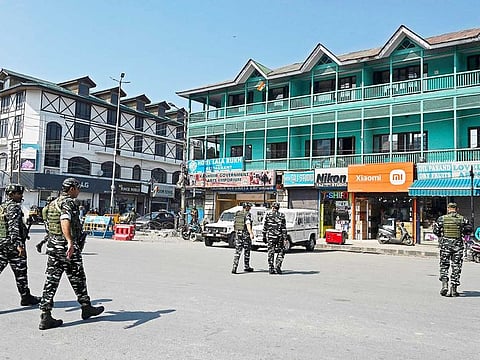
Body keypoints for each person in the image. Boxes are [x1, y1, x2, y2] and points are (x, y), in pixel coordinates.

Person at [38, 178, 104, 330]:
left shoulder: (52, 203)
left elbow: (48, 225)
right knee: (78, 278)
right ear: (72, 188)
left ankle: (45, 314)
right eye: (77, 188)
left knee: (51, 281)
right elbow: (65, 220)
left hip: (54, 248)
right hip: (67, 249)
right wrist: (69, 241)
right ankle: (86, 307)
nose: (79, 191)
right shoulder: (68, 203)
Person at [0, 184, 41, 306]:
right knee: (21, 272)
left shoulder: (3, 206)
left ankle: (26, 296)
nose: (21, 196)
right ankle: (25, 297)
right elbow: (13, 227)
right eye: (19, 193)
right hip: (12, 246)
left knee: (20, 272)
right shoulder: (14, 207)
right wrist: (19, 245)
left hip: (2, 243)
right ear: (11, 194)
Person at [433, 202, 472, 297]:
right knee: (456, 266)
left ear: (448, 208)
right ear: (456, 209)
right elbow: (468, 230)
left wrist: (442, 237)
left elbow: (436, 231)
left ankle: (444, 284)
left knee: (444, 265)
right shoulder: (462, 219)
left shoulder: (442, 219)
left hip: (445, 245)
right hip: (458, 245)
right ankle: (454, 289)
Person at [263, 202, 287, 274]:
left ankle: (271, 268)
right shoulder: (282, 215)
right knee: (281, 252)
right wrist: (285, 238)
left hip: (270, 237)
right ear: (278, 208)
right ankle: (278, 266)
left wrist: (264, 236)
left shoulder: (268, 215)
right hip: (279, 237)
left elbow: (265, 226)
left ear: (272, 207)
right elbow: (283, 228)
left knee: (271, 252)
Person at [231, 203, 255, 274]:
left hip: (238, 235)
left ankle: (234, 267)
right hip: (245, 236)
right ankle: (246, 266)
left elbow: (235, 224)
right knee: (247, 251)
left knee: (237, 251)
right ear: (246, 207)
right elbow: (248, 224)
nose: (250, 208)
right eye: (249, 207)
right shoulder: (247, 214)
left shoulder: (238, 214)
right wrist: (251, 233)